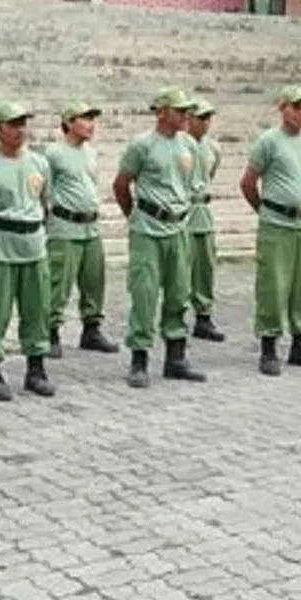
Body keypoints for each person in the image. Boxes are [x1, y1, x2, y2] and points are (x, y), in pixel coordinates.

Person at [112, 88, 206, 389]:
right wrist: (136, 217)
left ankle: (176, 357)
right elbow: (121, 185)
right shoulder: (142, 145)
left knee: (180, 292)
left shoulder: (190, 144)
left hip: (179, 228)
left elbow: (191, 186)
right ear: (162, 112)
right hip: (148, 228)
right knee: (144, 293)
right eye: (179, 111)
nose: (185, 116)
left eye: (187, 111)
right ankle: (139, 359)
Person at [0, 101, 55, 401]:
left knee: (37, 310)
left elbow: (45, 204)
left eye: (22, 123)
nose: (20, 129)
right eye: (12, 124)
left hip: (34, 247)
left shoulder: (39, 163)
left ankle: (36, 368)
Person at [240, 84, 301, 376]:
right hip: (276, 225)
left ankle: (300, 344)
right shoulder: (269, 141)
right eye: (298, 107)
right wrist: (266, 210)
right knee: (273, 286)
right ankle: (269, 346)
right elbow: (248, 182)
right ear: (283, 108)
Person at [44, 101, 118, 357]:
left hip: (91, 225)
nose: (90, 125)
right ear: (69, 123)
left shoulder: (90, 152)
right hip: (65, 225)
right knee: (58, 282)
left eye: (92, 119)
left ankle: (92, 328)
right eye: (84, 119)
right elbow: (44, 190)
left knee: (94, 280)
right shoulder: (53, 154)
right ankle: (50, 331)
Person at [185, 98, 226, 342]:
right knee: (181, 268)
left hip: (203, 209)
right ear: (188, 118)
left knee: (205, 266)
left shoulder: (213, 147)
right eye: (201, 117)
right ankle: (175, 315)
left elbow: (210, 173)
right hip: (183, 210)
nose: (206, 123)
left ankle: (203, 315)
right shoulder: (181, 145)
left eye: (209, 118)